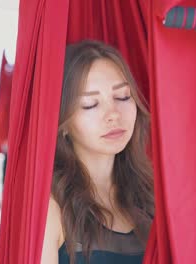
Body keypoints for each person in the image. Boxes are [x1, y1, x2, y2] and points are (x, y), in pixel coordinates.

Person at [42, 40, 154, 264]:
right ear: (63, 124)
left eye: (122, 96)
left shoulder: (150, 194)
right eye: (90, 104)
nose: (113, 114)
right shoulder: (50, 207)